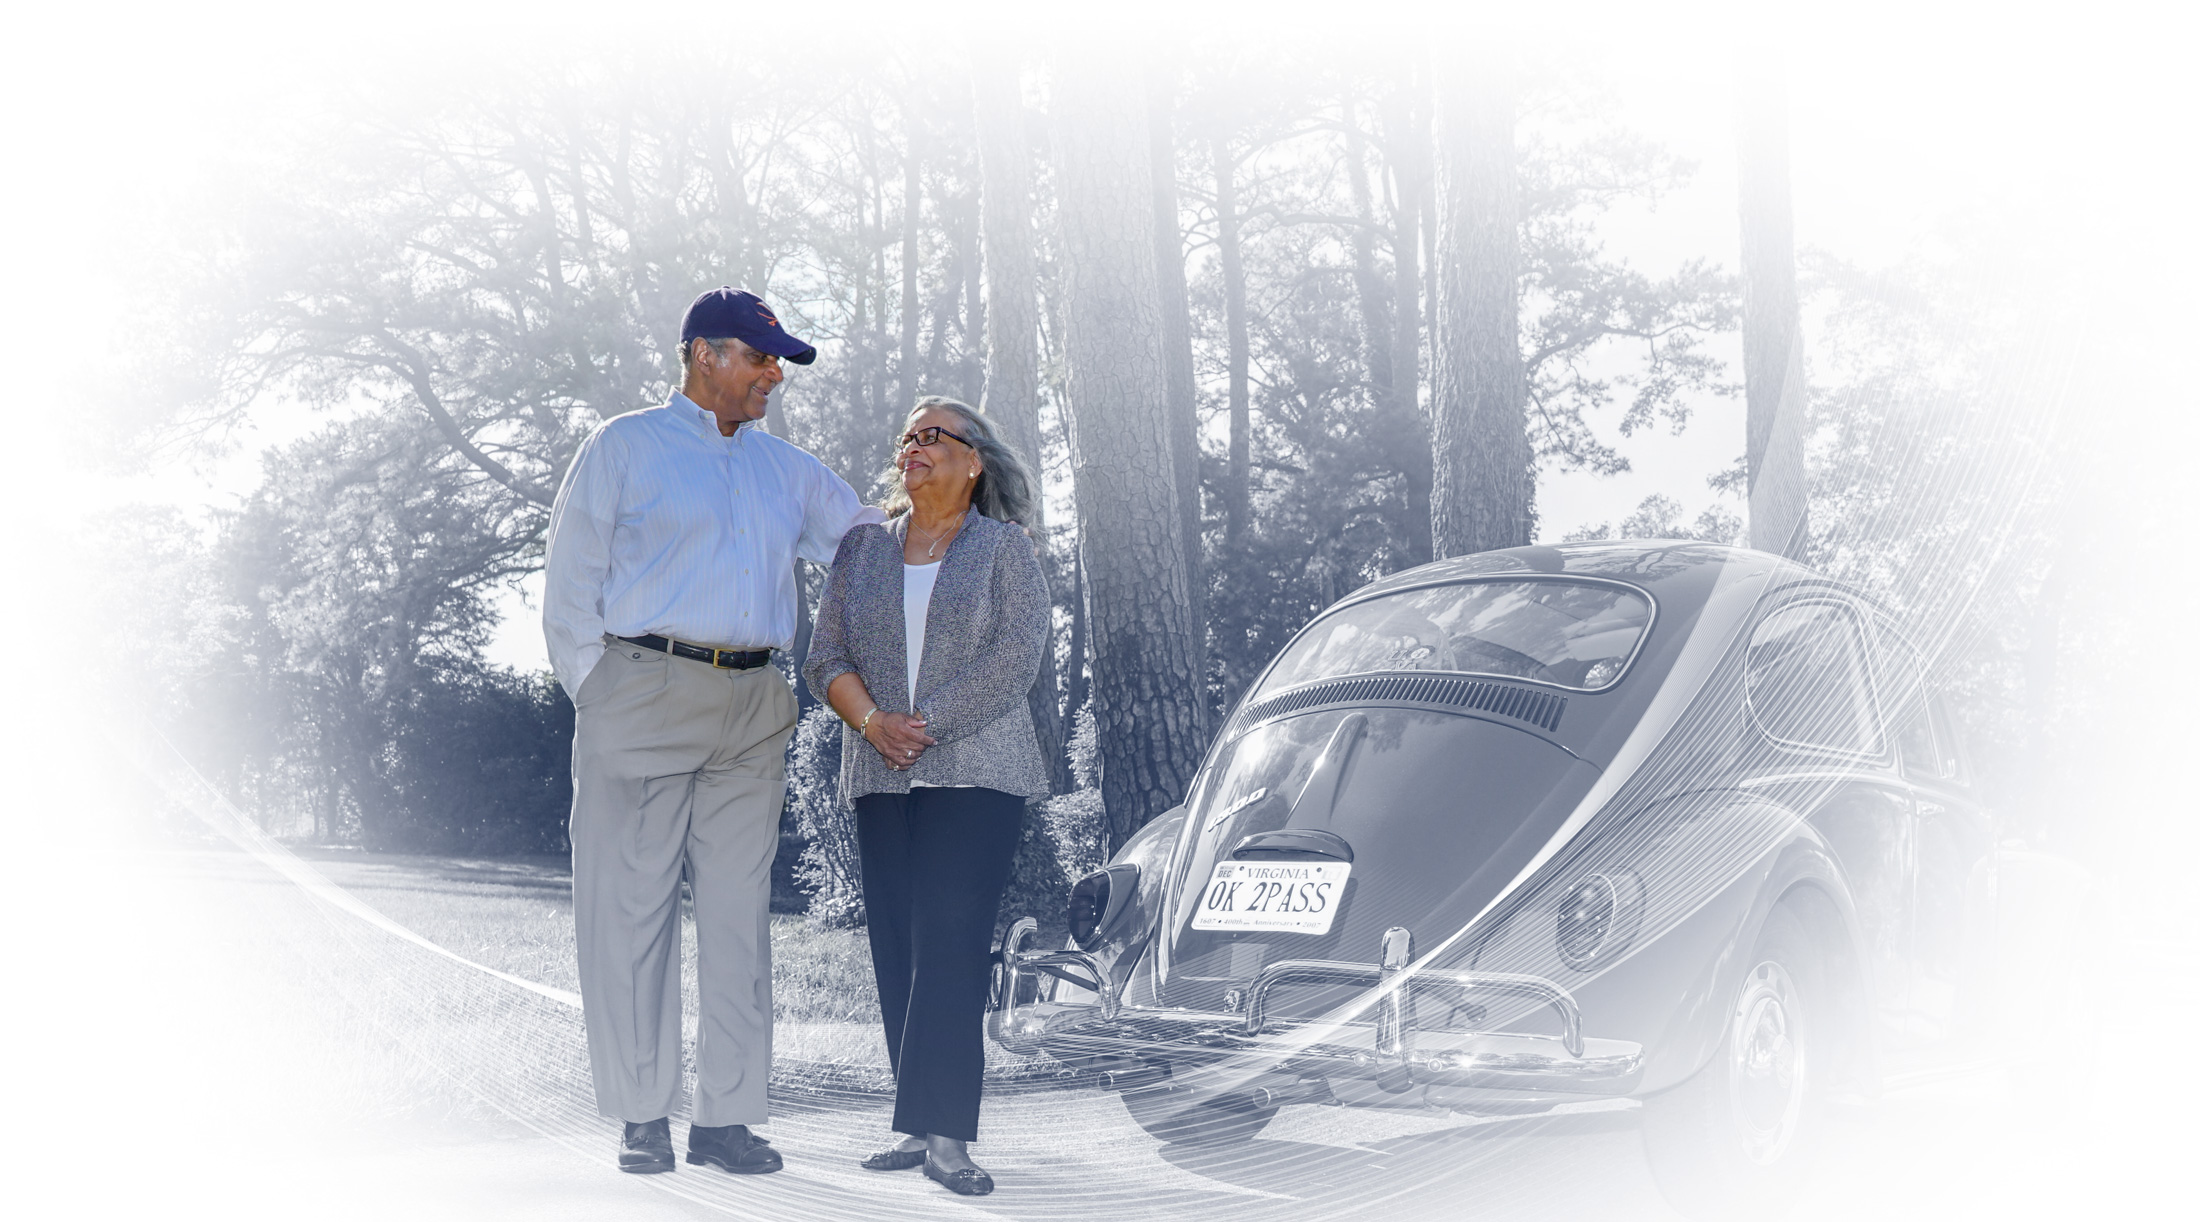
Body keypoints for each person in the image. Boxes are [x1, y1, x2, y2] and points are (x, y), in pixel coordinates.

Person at [542, 286, 885, 1176]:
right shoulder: (624, 447)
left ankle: (725, 1120)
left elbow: (866, 542)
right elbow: (570, 582)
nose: (775, 374)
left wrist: (953, 503)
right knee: (631, 916)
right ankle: (641, 1115)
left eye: (779, 362)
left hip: (751, 706)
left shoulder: (787, 469)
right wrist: (600, 692)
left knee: (739, 921)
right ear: (704, 354)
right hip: (640, 692)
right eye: (760, 357)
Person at [802, 396, 1050, 1197]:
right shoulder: (862, 550)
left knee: (947, 945)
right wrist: (874, 724)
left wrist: (924, 723)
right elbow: (823, 656)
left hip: (977, 773)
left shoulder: (1005, 550)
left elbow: (1017, 661)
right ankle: (915, 1123)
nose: (914, 446)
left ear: (973, 460)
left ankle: (947, 1139)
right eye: (907, 436)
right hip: (879, 772)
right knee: (900, 949)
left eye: (932, 435)